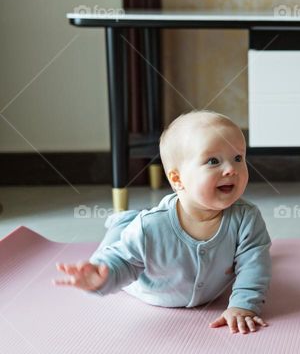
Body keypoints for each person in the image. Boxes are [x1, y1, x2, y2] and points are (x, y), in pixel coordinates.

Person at [53, 110, 271, 335]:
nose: (231, 169)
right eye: (213, 161)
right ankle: (122, 222)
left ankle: (127, 220)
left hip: (206, 291)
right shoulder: (150, 228)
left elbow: (254, 264)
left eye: (238, 158)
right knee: (113, 250)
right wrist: (100, 277)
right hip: (150, 287)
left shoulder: (247, 217)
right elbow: (124, 262)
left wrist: (243, 306)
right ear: (177, 179)